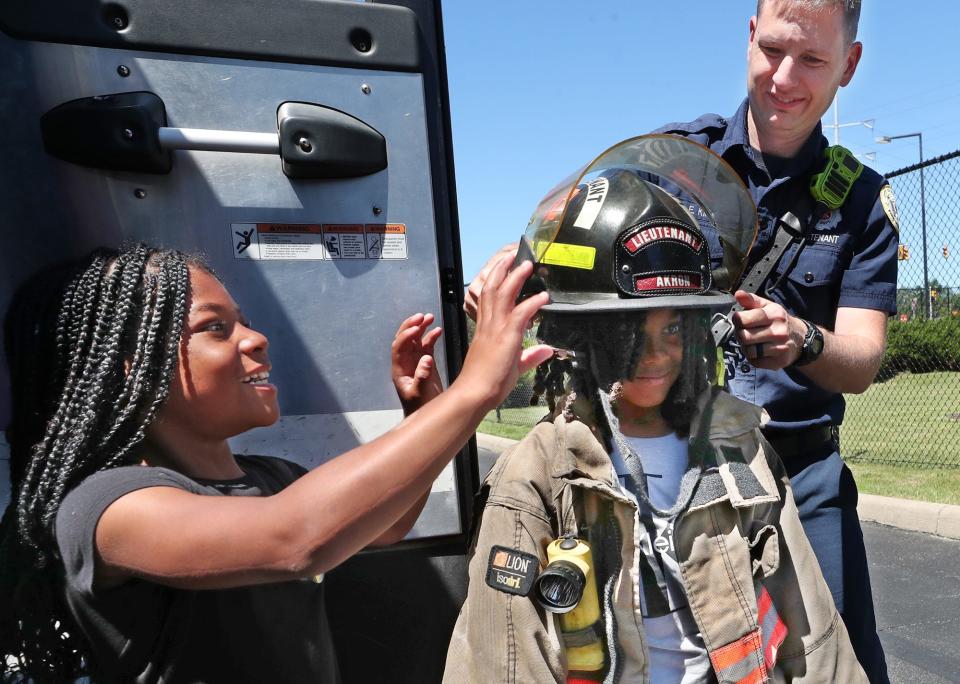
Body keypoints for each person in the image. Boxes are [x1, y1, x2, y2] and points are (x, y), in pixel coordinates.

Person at [464, 3, 897, 680]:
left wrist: (803, 339)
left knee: (834, 653)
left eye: (812, 60)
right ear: (750, 36)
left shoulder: (862, 203)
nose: (784, 77)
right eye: (774, 50)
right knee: (638, 654)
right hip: (666, 461)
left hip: (798, 475)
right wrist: (512, 271)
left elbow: (863, 360)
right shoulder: (670, 159)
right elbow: (567, 237)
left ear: (850, 63)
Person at [0, 244, 550, 682]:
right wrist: (474, 389)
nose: (256, 339)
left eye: (242, 322)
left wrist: (422, 413)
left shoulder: (268, 479)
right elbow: (294, 541)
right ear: (132, 366)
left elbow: (387, 524)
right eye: (216, 328)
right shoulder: (105, 506)